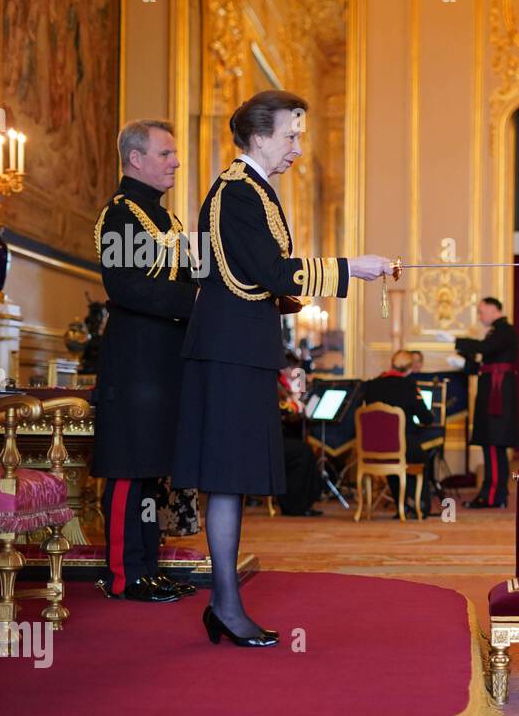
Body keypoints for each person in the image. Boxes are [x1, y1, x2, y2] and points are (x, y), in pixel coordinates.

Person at [172, 89, 396, 646]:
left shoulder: (254, 190)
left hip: (241, 349)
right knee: (226, 479)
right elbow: (270, 273)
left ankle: (225, 603)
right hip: (228, 353)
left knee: (233, 480)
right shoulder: (239, 192)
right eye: (290, 136)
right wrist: (351, 269)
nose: (298, 147)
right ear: (258, 137)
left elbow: (255, 277)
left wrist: (301, 288)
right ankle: (225, 604)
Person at [91, 119, 198, 603]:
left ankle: (149, 566)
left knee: (153, 471)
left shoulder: (169, 221)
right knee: (129, 468)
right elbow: (127, 287)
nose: (176, 161)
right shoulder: (121, 215)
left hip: (166, 362)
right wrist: (195, 303)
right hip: (134, 361)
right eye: (166, 153)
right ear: (136, 159)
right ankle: (124, 574)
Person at [445, 297, 519, 508]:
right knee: (491, 445)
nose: (480, 316)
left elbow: (485, 348)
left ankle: (494, 495)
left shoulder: (504, 330)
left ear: (495, 310)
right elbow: (484, 364)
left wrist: (455, 341)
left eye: (482, 311)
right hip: (493, 395)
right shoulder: (498, 331)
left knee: (494, 445)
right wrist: (463, 363)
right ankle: (490, 493)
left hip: (498, 397)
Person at [361, 350, 444, 517]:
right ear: (410, 369)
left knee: (395, 457)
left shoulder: (371, 385)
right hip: (400, 445)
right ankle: (419, 505)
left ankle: (403, 503)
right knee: (420, 456)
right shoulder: (409, 387)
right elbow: (426, 418)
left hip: (372, 447)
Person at [277, 355, 322, 517]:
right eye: (293, 368)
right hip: (271, 439)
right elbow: (282, 411)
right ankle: (294, 505)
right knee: (302, 452)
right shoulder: (276, 384)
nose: (296, 372)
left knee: (305, 450)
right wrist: (296, 407)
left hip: (285, 434)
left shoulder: (290, 383)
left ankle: (304, 502)